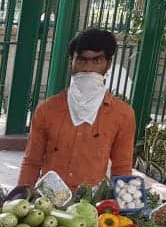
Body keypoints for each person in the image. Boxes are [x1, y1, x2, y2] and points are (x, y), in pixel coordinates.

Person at [18, 28, 136, 189]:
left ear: (108, 64)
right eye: (81, 60)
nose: (88, 69)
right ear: (71, 63)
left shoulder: (123, 114)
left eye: (96, 61)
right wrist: (20, 196)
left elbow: (122, 168)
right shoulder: (47, 109)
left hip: (90, 204)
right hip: (47, 201)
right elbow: (32, 161)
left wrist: (125, 208)